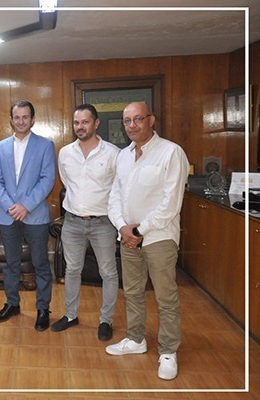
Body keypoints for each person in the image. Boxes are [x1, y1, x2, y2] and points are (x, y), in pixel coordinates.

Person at [105, 102, 189, 380]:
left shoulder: (171, 152)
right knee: (132, 293)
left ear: (151, 120)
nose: (131, 125)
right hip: (128, 238)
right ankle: (136, 339)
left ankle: (168, 351)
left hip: (159, 238)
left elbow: (171, 203)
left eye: (137, 119)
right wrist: (122, 226)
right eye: (127, 121)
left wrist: (140, 230)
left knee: (166, 297)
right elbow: (115, 196)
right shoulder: (123, 156)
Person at [51, 104, 120, 341]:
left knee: (108, 272)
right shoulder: (65, 153)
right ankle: (71, 315)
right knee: (72, 270)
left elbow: (118, 189)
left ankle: (106, 320)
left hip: (103, 223)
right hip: (72, 222)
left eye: (85, 122)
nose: (80, 127)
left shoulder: (113, 153)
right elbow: (67, 183)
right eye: (76, 123)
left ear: (96, 123)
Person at [0, 100, 56, 331]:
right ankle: (12, 303)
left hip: (35, 215)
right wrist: (11, 206)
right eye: (16, 117)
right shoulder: (1, 147)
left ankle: (42, 308)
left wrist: (25, 205)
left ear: (32, 119)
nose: (21, 121)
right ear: (11, 120)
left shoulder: (45, 145)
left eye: (25, 117)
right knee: (11, 264)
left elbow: (47, 179)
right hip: (8, 215)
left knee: (40, 263)